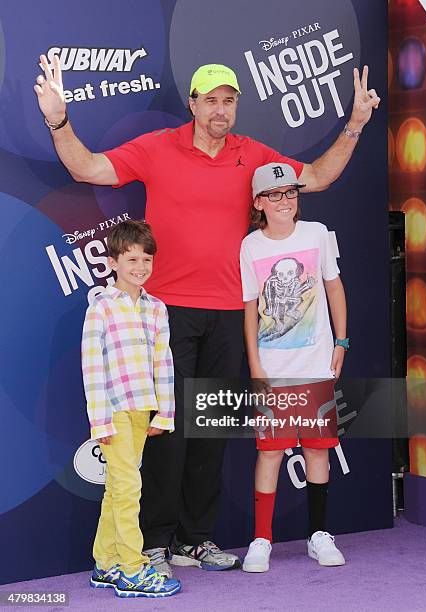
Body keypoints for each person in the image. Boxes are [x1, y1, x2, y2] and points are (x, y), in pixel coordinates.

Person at [34, 57, 379, 576]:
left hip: (228, 315)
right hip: (167, 312)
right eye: (210, 99)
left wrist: (354, 122)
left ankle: (196, 541)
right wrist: (59, 121)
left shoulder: (252, 156)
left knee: (211, 430)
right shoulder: (157, 147)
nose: (220, 109)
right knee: (168, 430)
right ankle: (154, 543)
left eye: (229, 100)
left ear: (236, 106)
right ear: (193, 104)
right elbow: (88, 168)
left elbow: (318, 178)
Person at [240, 162, 348, 573]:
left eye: (291, 193)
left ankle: (319, 535)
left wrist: (342, 341)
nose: (284, 201)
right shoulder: (250, 246)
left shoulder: (317, 234)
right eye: (275, 194)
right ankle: (261, 539)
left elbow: (334, 286)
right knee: (268, 454)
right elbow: (250, 307)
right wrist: (255, 363)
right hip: (273, 371)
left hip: (317, 366)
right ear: (259, 203)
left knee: (318, 451)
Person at [81, 220, 181, 597]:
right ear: (113, 262)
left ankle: (105, 562)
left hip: (144, 410)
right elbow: (92, 365)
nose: (140, 266)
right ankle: (132, 568)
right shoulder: (102, 307)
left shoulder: (157, 308)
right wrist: (100, 419)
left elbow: (163, 362)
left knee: (117, 489)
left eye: (147, 259)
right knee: (128, 489)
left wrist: (165, 412)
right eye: (132, 259)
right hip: (114, 411)